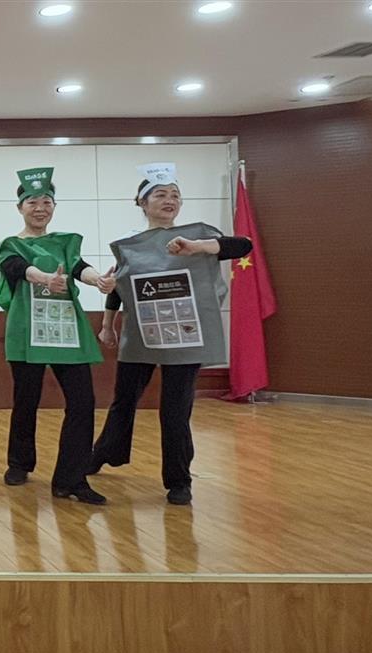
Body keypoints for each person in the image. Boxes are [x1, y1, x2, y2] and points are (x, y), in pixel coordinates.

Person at [88, 163, 253, 506]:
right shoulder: (130, 246)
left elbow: (243, 246)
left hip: (185, 336)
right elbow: (119, 288)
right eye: (160, 195)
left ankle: (179, 480)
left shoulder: (199, 236)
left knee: (175, 410)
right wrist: (107, 325)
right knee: (123, 401)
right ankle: (104, 453)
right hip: (141, 335)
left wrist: (199, 247)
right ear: (142, 203)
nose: (169, 200)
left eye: (175, 195)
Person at [0, 167, 115, 505]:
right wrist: (46, 278)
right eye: (32, 201)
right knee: (26, 399)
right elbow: (19, 269)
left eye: (46, 201)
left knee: (83, 401)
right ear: (20, 207)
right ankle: (19, 463)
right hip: (26, 331)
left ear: (54, 207)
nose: (40, 208)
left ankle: (70, 479)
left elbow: (79, 267)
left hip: (66, 332)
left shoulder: (64, 242)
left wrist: (98, 280)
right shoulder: (11, 245)